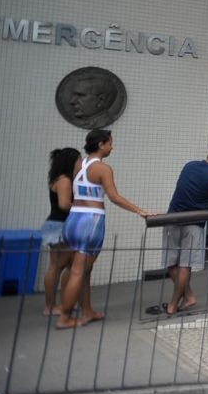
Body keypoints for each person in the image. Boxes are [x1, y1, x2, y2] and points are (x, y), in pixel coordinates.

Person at [56, 129, 154, 329]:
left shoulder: (79, 164)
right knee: (78, 271)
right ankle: (64, 317)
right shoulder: (103, 169)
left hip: (73, 219)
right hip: (90, 222)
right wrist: (139, 210)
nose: (112, 147)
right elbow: (114, 196)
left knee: (83, 270)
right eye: (110, 143)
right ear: (101, 144)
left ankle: (87, 311)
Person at [159, 142, 208, 315]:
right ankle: (173, 304)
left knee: (171, 263)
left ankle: (188, 297)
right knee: (185, 265)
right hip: (194, 224)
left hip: (173, 218)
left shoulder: (189, 166)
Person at [41, 147, 80, 316]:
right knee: (58, 266)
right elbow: (64, 205)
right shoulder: (64, 181)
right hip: (60, 226)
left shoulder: (57, 178)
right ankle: (50, 307)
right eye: (78, 160)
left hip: (56, 224)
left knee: (68, 265)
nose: (80, 163)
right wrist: (82, 207)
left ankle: (64, 302)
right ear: (70, 162)